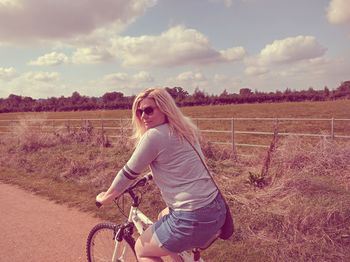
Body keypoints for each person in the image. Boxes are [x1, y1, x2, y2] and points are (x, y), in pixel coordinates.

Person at [96, 87, 226, 262]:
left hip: (191, 218)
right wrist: (152, 174)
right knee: (163, 215)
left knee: (141, 249)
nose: (143, 116)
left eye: (149, 110)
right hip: (217, 209)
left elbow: (127, 173)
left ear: (164, 108)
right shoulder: (183, 128)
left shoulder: (154, 136)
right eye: (139, 111)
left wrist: (106, 197)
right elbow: (183, 163)